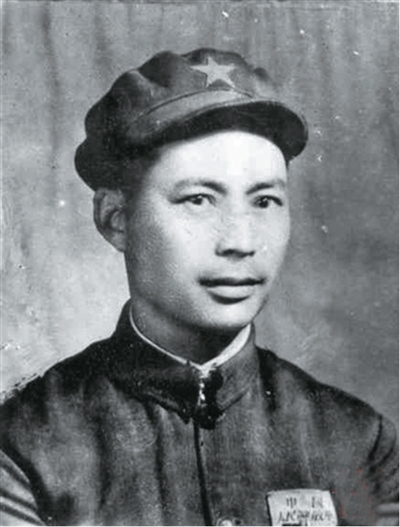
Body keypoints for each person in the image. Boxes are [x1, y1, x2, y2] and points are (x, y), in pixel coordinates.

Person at [0, 48, 398, 526]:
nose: (240, 242)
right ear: (116, 219)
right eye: (199, 200)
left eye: (265, 201)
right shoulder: (24, 445)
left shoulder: (362, 442)